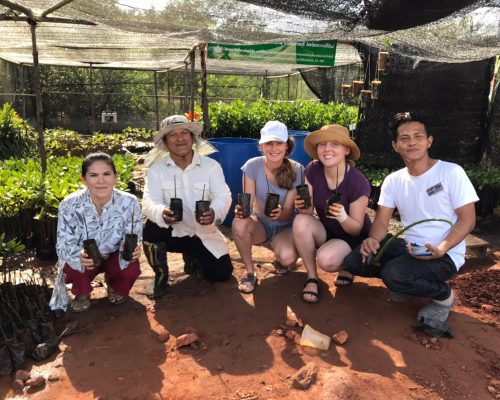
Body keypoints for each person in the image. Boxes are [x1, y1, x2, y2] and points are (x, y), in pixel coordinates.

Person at [343, 112, 478, 336]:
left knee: (394, 274)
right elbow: (382, 221)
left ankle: (443, 296)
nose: (412, 142)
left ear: (429, 141)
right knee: (355, 261)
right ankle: (406, 284)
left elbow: (467, 220)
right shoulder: (393, 181)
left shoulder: (451, 173)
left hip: (445, 253)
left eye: (418, 136)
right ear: (395, 146)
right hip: (409, 247)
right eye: (404, 138)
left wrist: (443, 248)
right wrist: (372, 240)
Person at [142, 115, 233, 299]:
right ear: (165, 142)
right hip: (173, 232)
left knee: (221, 273)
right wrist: (161, 213)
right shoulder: (156, 170)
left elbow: (223, 195)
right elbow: (149, 201)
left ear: (192, 138)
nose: (180, 138)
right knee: (150, 229)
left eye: (184, 133)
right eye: (172, 135)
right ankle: (160, 274)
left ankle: (193, 258)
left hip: (202, 232)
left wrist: (214, 211)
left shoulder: (211, 167)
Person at [54, 152, 142, 313]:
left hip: (116, 253)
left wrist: (135, 247)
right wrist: (77, 255)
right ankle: (82, 292)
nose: (101, 180)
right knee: (72, 264)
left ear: (115, 177)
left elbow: (135, 234)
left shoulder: (129, 202)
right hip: (87, 256)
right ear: (83, 179)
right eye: (93, 175)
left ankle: (114, 284)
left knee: (131, 266)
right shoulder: (69, 204)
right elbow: (62, 243)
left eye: (107, 174)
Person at [292, 124, 372, 303]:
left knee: (327, 260)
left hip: (353, 238)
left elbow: (356, 229)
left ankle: (350, 264)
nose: (327, 149)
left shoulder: (358, 182)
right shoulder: (313, 169)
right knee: (300, 221)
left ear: (346, 150)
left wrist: (342, 216)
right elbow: (308, 211)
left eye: (334, 144)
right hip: (328, 231)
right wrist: (301, 205)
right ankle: (312, 278)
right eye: (322, 144)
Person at [232, 120, 304, 294]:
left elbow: (288, 214)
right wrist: (242, 211)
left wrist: (281, 213)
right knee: (239, 223)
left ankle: (280, 256)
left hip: (286, 227)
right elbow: (247, 203)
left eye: (279, 143)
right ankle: (250, 273)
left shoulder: (297, 170)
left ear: (287, 146)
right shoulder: (251, 166)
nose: (274, 148)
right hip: (261, 225)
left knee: (287, 259)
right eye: (269, 144)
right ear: (261, 146)